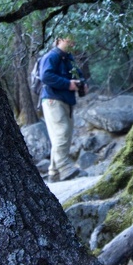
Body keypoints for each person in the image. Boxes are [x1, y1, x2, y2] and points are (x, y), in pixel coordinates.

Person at [39, 36, 88, 182]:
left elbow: (78, 75)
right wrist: (68, 84)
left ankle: (54, 172)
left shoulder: (68, 59)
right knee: (62, 131)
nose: (73, 41)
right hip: (53, 99)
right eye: (69, 38)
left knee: (63, 134)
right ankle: (65, 167)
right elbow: (45, 76)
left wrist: (82, 84)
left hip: (65, 100)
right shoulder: (52, 56)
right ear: (59, 39)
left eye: (74, 38)